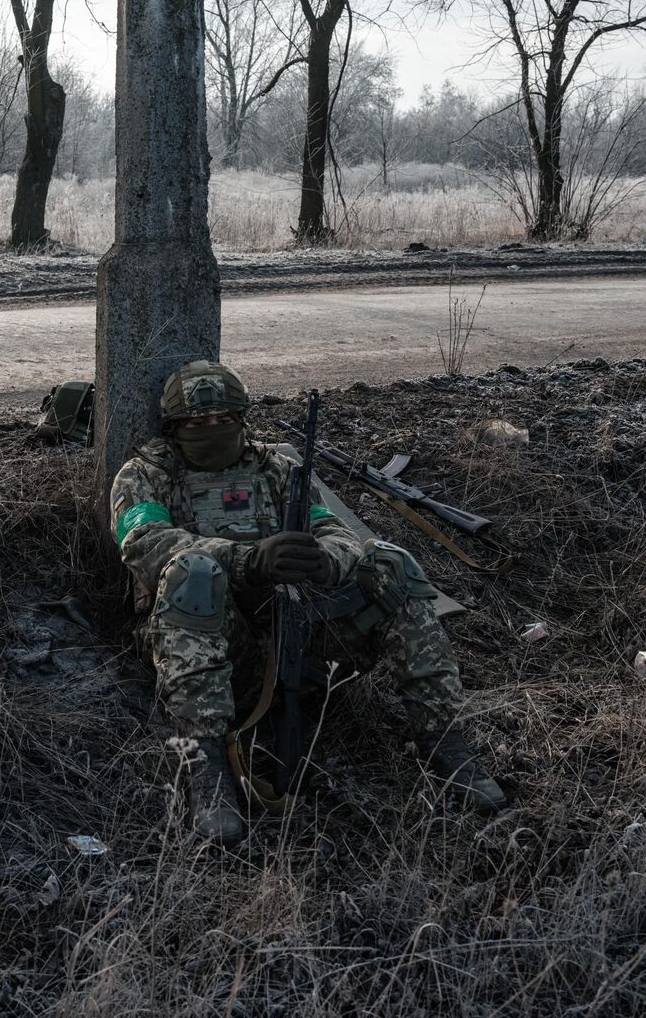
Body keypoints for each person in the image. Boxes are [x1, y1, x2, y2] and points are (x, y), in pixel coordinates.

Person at [108, 360, 508, 848]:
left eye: (223, 421)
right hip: (205, 644)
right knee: (194, 572)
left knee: (390, 563)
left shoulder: (275, 468)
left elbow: (333, 529)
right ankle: (206, 767)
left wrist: (324, 560)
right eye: (196, 424)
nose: (211, 430)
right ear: (175, 428)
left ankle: (443, 740)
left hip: (297, 625)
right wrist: (247, 559)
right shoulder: (144, 475)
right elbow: (145, 542)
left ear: (242, 419)